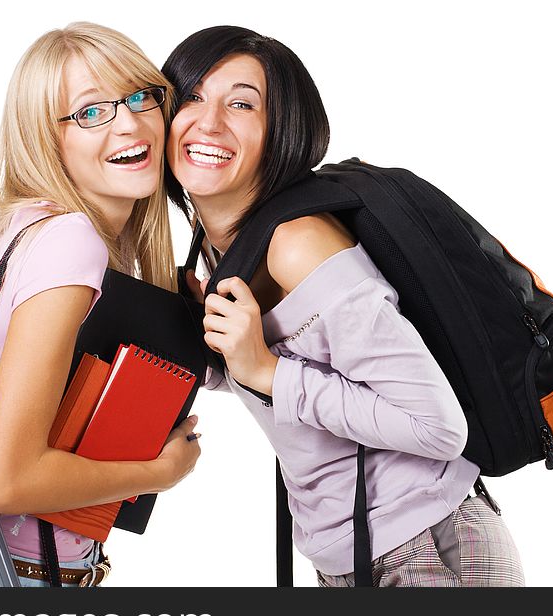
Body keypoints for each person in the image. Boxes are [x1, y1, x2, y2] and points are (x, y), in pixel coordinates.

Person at [163, 25, 524, 587]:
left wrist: (265, 368)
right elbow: (286, 371)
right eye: (192, 96)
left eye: (241, 104)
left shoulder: (299, 244)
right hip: (353, 551)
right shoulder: (215, 249)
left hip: (427, 548)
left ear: (278, 133)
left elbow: (438, 428)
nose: (209, 122)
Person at [0, 23, 201, 587]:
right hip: (32, 575)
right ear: (46, 137)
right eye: (91, 112)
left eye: (142, 96)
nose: (131, 123)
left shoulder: (28, 225)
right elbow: (4, 483)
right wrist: (158, 473)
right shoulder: (72, 242)